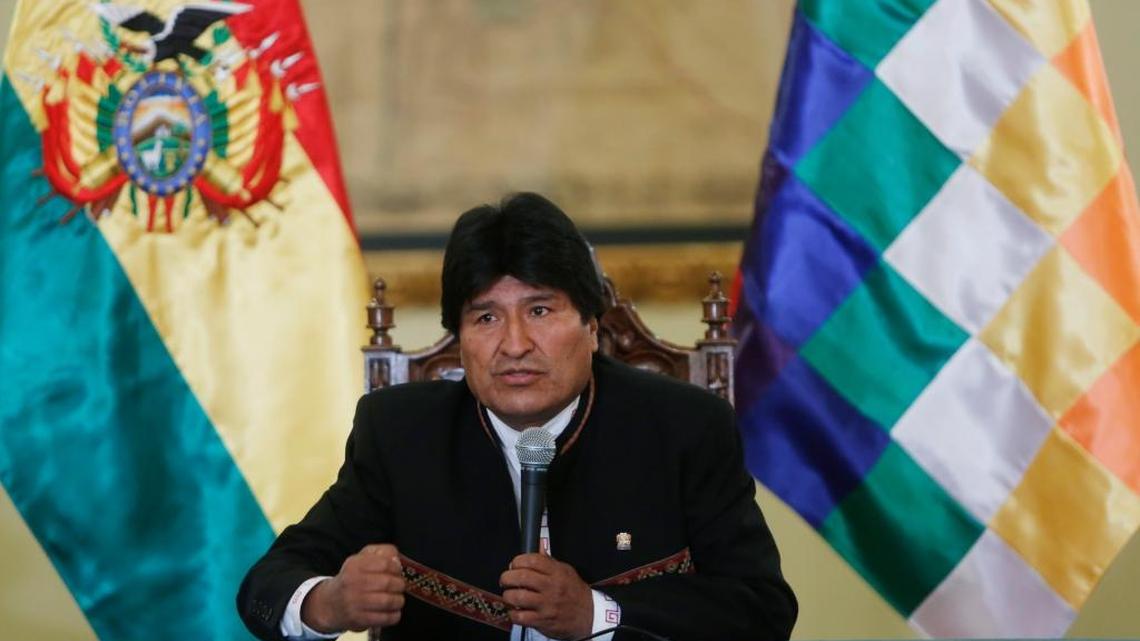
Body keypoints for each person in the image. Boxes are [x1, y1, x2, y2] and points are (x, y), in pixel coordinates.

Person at [237, 193, 797, 641]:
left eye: (539, 310)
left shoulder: (684, 428)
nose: (515, 344)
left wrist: (597, 614)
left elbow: (762, 610)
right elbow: (268, 583)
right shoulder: (400, 434)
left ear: (591, 324)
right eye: (485, 317)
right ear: (459, 341)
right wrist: (326, 603)